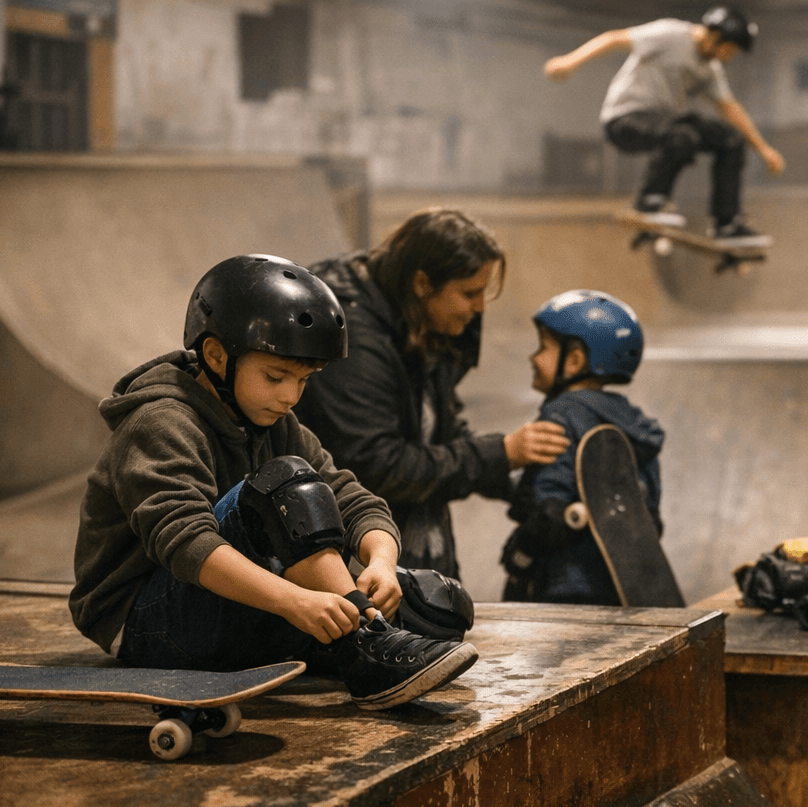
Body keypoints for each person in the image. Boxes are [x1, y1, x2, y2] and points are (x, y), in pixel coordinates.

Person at [69, 254, 478, 710]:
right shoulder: (160, 422)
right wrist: (294, 602)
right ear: (217, 357)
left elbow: (351, 497)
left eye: (304, 380)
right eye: (275, 376)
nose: (289, 395)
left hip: (225, 600)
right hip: (145, 619)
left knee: (440, 606)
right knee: (286, 482)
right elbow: (187, 543)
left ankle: (351, 632)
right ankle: (359, 649)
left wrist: (381, 562)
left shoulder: (272, 417)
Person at [295, 208, 570, 582]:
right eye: (470, 293)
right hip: (358, 564)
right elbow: (377, 466)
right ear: (423, 283)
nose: (479, 307)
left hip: (421, 546)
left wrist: (525, 485)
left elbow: (437, 428)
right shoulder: (356, 341)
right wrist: (499, 452)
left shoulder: (421, 317)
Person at [543, 5, 785, 239]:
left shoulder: (710, 68)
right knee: (681, 136)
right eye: (729, 51)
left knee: (730, 140)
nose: (728, 58)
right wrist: (570, 61)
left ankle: (727, 223)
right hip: (624, 118)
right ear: (715, 38)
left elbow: (729, 108)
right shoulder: (670, 34)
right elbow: (615, 39)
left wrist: (763, 150)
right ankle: (650, 201)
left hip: (666, 122)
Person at [501, 290, 664, 605]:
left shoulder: (562, 414)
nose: (534, 358)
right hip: (621, 587)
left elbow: (551, 511)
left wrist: (521, 550)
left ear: (574, 360)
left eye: (544, 347)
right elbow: (650, 516)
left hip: (563, 587)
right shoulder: (635, 424)